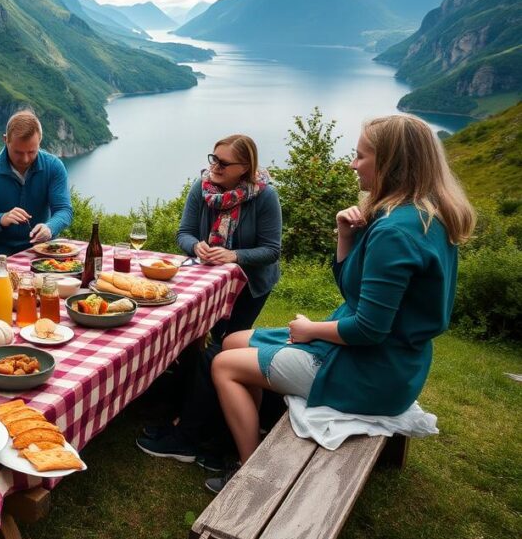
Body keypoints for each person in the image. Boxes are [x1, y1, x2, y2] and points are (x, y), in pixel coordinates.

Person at [209, 115, 475, 493]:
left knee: (223, 365)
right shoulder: (425, 214)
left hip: (369, 372)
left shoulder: (395, 231)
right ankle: (256, 428)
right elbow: (356, 293)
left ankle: (250, 472)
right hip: (397, 364)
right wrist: (346, 236)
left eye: (361, 156)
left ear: (391, 164)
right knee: (234, 340)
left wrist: (309, 330)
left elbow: (368, 329)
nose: (353, 164)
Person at [136, 135, 282, 468]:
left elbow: (272, 250)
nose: (214, 166)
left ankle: (195, 431)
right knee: (192, 340)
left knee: (221, 350)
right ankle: (187, 411)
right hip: (206, 282)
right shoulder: (201, 187)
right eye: (213, 158)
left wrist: (234, 255)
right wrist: (196, 246)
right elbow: (184, 232)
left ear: (245, 168)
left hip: (250, 286)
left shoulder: (265, 197)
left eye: (223, 163)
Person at [0, 111, 73, 265]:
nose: (25, 159)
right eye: (18, 152)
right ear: (5, 140)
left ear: (40, 142)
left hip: (40, 247)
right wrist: (1, 219)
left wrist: (50, 228)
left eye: (31, 152)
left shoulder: (54, 166)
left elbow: (64, 210)